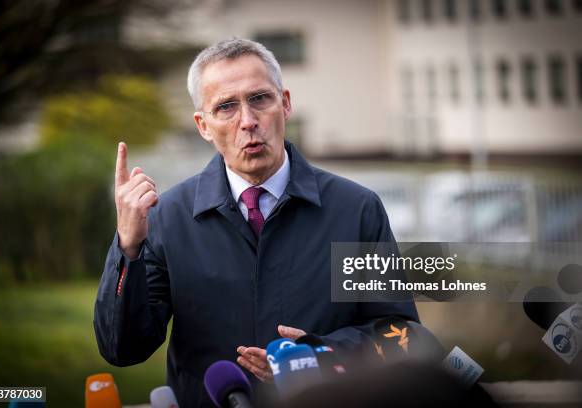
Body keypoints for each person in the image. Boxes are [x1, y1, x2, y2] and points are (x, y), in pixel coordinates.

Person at [94, 38, 418, 407]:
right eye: (226, 107)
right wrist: (128, 248)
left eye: (260, 99)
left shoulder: (355, 210)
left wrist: (320, 353)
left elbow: (401, 335)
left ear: (286, 103)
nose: (248, 121)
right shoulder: (169, 219)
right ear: (203, 125)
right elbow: (122, 349)